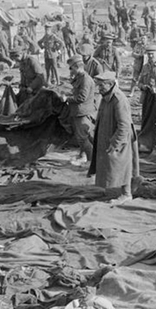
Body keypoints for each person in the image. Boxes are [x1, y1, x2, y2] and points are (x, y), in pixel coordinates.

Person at [89, 71, 139, 204]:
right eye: (98, 85)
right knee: (112, 164)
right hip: (108, 134)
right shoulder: (106, 96)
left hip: (121, 138)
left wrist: (116, 143)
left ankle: (126, 194)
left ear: (110, 84)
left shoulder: (118, 99)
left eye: (102, 85)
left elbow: (124, 125)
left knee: (122, 164)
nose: (99, 88)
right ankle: (114, 187)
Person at [66, 55, 99, 167]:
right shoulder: (79, 77)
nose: (70, 70)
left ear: (77, 67)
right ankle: (83, 156)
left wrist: (67, 99)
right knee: (82, 137)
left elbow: (82, 98)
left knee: (83, 138)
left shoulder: (85, 79)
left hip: (83, 112)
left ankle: (91, 162)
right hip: (79, 111)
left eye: (71, 68)